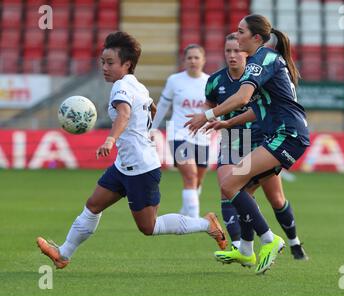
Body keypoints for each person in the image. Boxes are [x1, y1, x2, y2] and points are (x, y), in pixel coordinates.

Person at [36, 31, 226, 269]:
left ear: (127, 64)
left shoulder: (121, 87)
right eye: (102, 62)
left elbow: (125, 113)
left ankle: (205, 225)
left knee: (149, 227)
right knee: (93, 204)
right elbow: (152, 108)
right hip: (124, 165)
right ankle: (63, 254)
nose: (104, 67)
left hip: (141, 168)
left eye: (110, 62)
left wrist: (110, 140)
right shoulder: (137, 85)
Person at [185, 14, 310, 275]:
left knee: (230, 184)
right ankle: (245, 250)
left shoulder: (262, 60)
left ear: (255, 38)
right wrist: (228, 124)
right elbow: (257, 108)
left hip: (286, 134)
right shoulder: (261, 61)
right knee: (243, 190)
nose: (236, 35)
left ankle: (270, 240)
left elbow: (242, 98)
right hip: (278, 134)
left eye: (240, 32)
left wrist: (208, 115)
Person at [151, 44, 210, 219]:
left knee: (197, 180)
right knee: (190, 176)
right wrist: (152, 128)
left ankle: (186, 210)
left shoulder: (210, 81)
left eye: (196, 57)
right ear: (184, 60)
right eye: (189, 57)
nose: (193, 61)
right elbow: (162, 105)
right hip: (178, 134)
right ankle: (194, 219)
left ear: (203, 60)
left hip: (203, 136)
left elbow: (217, 108)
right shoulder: (174, 80)